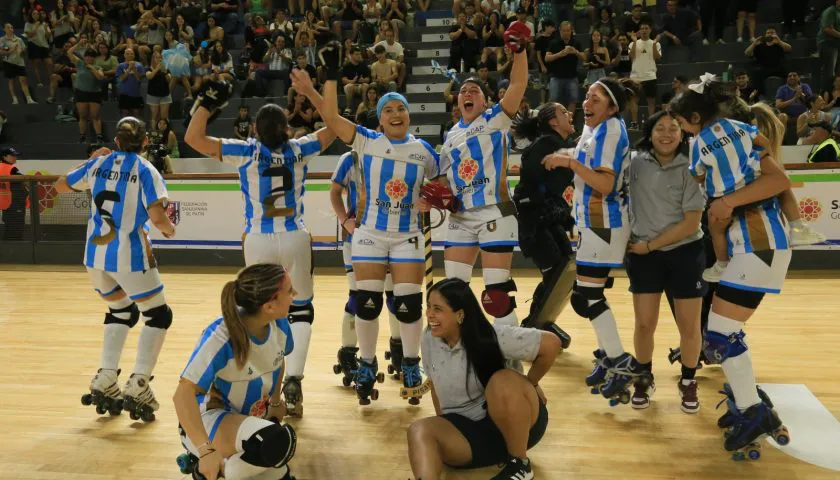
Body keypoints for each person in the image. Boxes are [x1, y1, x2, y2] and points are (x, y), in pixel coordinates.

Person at [291, 43, 441, 406]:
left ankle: (409, 365)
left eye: (400, 108)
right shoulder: (366, 141)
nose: (395, 113)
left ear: (409, 117)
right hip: (370, 235)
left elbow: (441, 188)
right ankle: (366, 363)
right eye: (387, 109)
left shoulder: (424, 152)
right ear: (379, 118)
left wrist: (431, 199)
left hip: (408, 236)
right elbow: (331, 120)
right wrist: (314, 89)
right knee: (367, 304)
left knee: (407, 305)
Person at [185, 80, 337, 418]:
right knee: (300, 309)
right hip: (295, 236)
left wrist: (207, 104)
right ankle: (293, 378)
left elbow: (192, 138)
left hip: (258, 237)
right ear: (287, 127)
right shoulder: (300, 149)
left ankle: (246, 376)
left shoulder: (246, 152)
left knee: (255, 309)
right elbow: (334, 126)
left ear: (254, 129)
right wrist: (314, 92)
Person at [667, 76, 795, 459]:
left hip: (760, 245)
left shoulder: (723, 145)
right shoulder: (736, 142)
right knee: (724, 333)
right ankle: (750, 403)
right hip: (753, 246)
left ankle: (752, 409)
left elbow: (780, 180)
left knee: (721, 336)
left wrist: (725, 205)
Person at [53, 117, 176, 422]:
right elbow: (157, 216)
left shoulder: (98, 164)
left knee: (122, 311)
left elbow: (60, 187)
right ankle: (139, 383)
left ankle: (106, 377)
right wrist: (169, 229)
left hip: (95, 257)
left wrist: (91, 159)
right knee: (158, 314)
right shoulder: (146, 169)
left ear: (117, 142)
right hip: (128, 256)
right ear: (145, 143)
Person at [541, 77, 644, 405]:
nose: (587, 103)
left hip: (606, 221)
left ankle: (619, 361)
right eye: (586, 96)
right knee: (589, 294)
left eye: (596, 99)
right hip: (592, 222)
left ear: (612, 107)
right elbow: (585, 155)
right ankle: (607, 354)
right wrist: (566, 154)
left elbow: (605, 184)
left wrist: (568, 162)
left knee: (588, 296)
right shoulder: (596, 128)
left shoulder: (612, 131)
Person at [430, 21, 531, 333]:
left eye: (475, 90)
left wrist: (520, 52)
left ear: (486, 101)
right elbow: (443, 180)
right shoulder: (449, 136)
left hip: (494, 212)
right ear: (457, 101)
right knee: (452, 294)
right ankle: (464, 349)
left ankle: (510, 358)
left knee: (496, 295)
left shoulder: (494, 119)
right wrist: (436, 194)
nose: (468, 93)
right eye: (463, 91)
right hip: (460, 217)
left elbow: (517, 86)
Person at [407, 278, 559, 480]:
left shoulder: (493, 336)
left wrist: (531, 383)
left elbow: (551, 344)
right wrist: (442, 427)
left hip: (518, 428)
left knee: (503, 380)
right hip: (470, 437)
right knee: (419, 430)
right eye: (428, 307)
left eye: (437, 309)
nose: (429, 315)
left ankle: (520, 466)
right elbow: (434, 384)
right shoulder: (429, 338)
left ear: (460, 314)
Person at [173, 264, 297, 480]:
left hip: (246, 420)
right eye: (289, 291)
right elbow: (182, 395)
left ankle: (225, 468)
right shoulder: (221, 337)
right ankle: (208, 470)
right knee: (279, 441)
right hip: (206, 422)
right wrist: (205, 451)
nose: (294, 295)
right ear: (269, 306)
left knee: (279, 467)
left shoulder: (281, 326)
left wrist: (276, 402)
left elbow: (279, 361)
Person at [625, 110, 706, 412]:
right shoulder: (633, 162)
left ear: (683, 134)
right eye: (660, 128)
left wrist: (651, 246)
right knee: (645, 323)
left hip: (685, 252)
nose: (667, 134)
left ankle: (687, 381)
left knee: (689, 325)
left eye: (674, 128)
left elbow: (691, 222)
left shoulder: (692, 167)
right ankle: (644, 376)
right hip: (644, 254)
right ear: (650, 132)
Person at [329, 149, 404, 386]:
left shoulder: (398, 154)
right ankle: (349, 353)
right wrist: (345, 221)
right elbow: (335, 193)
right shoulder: (350, 159)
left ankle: (400, 351)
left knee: (395, 298)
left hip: (392, 237)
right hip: (358, 240)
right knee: (359, 298)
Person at [509, 102, 576, 346]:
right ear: (553, 122)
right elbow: (529, 187)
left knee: (564, 271)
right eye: (563, 112)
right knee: (555, 273)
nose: (569, 113)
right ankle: (533, 326)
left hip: (548, 220)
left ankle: (541, 322)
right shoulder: (544, 147)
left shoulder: (562, 145)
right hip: (535, 224)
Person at [0, 23, 37, 105]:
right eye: (8, 27)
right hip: (9, 62)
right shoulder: (2, 40)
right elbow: (2, 51)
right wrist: (11, 50)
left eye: (12, 27)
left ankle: (29, 99)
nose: (10, 29)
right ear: (4, 29)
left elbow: (24, 52)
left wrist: (23, 51)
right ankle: (15, 99)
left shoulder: (19, 39)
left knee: (23, 80)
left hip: (20, 62)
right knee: (11, 81)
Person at [0, 146, 29, 241]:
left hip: (5, 204)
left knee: (9, 229)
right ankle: (15, 252)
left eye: (15, 155)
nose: (15, 157)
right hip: (15, 203)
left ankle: (7, 251)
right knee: (16, 230)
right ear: (4, 157)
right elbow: (26, 180)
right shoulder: (12, 169)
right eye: (12, 155)